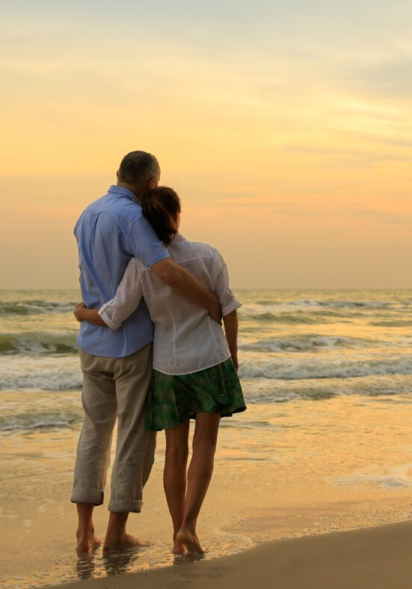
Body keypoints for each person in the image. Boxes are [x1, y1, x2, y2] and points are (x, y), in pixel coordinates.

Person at [76, 186, 245, 556]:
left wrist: (82, 313)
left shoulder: (140, 266)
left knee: (175, 452)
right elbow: (228, 308)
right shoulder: (207, 254)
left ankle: (176, 534)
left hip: (167, 365)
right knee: (206, 447)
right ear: (177, 214)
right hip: (210, 358)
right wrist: (232, 357)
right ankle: (189, 528)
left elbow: (115, 313)